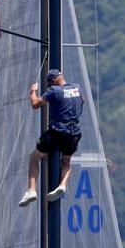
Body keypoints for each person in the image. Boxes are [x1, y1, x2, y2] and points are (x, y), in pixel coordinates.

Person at [18, 69, 83, 207]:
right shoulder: (77, 88)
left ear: (53, 81)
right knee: (66, 161)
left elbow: (35, 104)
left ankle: (31, 190)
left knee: (34, 158)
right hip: (74, 133)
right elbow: (81, 103)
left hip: (57, 133)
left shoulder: (54, 90)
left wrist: (33, 91)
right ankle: (62, 185)